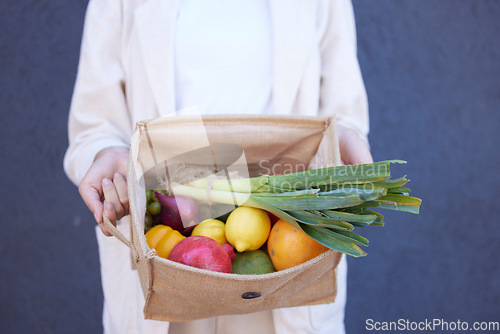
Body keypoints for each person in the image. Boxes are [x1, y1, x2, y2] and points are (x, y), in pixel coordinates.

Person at [64, 0, 373, 333]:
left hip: (283, 259)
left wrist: (339, 141)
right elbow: (94, 124)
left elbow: (343, 112)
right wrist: (106, 152)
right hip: (164, 256)